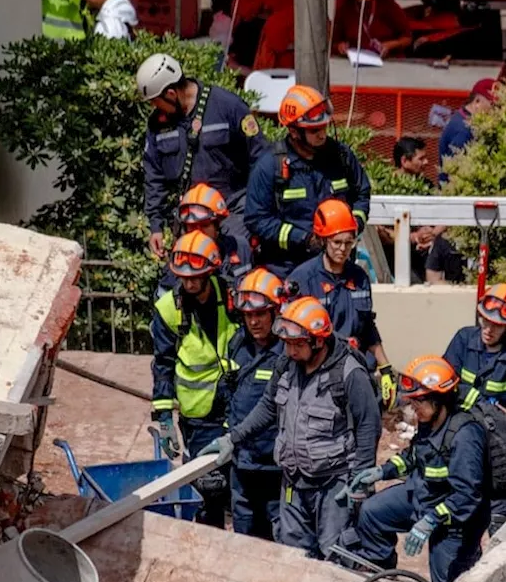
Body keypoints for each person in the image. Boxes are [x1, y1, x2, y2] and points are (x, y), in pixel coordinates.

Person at [202, 297, 382, 559]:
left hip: (334, 484)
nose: (290, 351)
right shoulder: (286, 366)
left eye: (297, 344)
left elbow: (368, 427)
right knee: (293, 554)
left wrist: (360, 480)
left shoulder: (349, 373)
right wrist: (234, 438)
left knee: (335, 554)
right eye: (286, 344)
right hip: (294, 482)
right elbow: (267, 408)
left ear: (318, 340)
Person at [341, 356, 493, 582]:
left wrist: (431, 520)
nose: (414, 409)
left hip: (454, 522)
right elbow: (413, 457)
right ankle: (378, 576)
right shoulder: (429, 421)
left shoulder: (465, 435)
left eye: (419, 402)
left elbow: (467, 496)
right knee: (372, 513)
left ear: (439, 399)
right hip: (422, 495)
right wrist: (381, 472)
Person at [138, 53, 270, 258]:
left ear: (171, 94)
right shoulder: (157, 124)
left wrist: (257, 210)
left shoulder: (228, 106)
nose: (154, 108)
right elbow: (154, 176)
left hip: (233, 214)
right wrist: (156, 225)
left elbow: (261, 158)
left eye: (155, 101)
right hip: (191, 219)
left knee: (231, 269)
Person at [150, 231, 240, 528]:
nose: (188, 283)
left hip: (236, 402)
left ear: (209, 272)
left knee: (240, 484)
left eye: (195, 277)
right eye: (183, 277)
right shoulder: (169, 308)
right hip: (198, 412)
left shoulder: (231, 296)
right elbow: (162, 363)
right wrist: (164, 416)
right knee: (208, 487)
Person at [441, 282, 506, 533]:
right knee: (457, 525)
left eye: (497, 325)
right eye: (485, 320)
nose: (488, 329)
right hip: (459, 446)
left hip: (498, 454)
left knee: (503, 530)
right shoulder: (463, 341)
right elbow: (444, 389)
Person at [245, 85, 371, 278]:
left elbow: (362, 193)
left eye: (324, 127)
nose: (322, 134)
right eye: (314, 130)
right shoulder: (270, 166)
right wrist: (303, 238)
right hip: (288, 270)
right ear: (294, 132)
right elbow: (257, 219)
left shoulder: (342, 157)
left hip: (337, 270)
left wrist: (353, 225)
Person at [286, 199, 395, 407]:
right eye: (337, 242)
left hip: (355, 371)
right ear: (323, 240)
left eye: (349, 242)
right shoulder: (302, 279)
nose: (343, 249)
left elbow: (367, 326)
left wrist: (386, 367)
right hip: (316, 375)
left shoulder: (360, 277)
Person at [224, 268, 287, 540]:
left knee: (278, 535)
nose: (254, 322)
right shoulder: (237, 344)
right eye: (248, 315)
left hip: (275, 465)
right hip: (243, 462)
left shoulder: (288, 351)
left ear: (275, 311)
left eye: (260, 314)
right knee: (244, 533)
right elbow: (230, 395)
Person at [381, 138, 463, 284]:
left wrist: (432, 234)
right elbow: (380, 232)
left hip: (427, 253)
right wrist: (414, 237)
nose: (426, 163)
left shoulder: (427, 185)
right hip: (395, 258)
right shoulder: (385, 188)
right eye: (421, 158)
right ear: (404, 161)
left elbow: (445, 214)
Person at [155, 184, 253, 298]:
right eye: (192, 226)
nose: (198, 232)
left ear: (217, 225)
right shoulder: (179, 261)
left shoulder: (239, 247)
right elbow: (163, 308)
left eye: (204, 225)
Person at [331, 0, 413, 59]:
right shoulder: (345, 8)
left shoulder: (387, 4)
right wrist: (340, 46)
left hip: (389, 63)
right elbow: (334, 42)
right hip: (357, 64)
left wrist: (389, 45)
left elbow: (407, 38)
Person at [438, 78, 497, 185]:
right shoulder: (464, 129)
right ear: (477, 102)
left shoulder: (461, 118)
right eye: (492, 106)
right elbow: (454, 170)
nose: (495, 111)